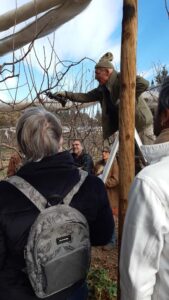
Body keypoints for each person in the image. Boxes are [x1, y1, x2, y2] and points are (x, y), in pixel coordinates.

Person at [0, 107, 114, 300]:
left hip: (19, 292)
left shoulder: (4, 193)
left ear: (21, 146)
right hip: (72, 289)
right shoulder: (91, 184)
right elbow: (103, 236)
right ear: (61, 140)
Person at [120, 76, 169, 300]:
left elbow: (136, 285)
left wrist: (124, 81)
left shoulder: (151, 183)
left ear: (165, 115)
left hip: (140, 126)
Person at [47, 52, 154, 144]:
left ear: (107, 72)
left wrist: (126, 99)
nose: (95, 77)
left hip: (142, 125)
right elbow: (85, 96)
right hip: (127, 128)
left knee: (149, 159)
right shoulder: (102, 90)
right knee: (134, 161)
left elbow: (144, 83)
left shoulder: (122, 78)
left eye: (97, 73)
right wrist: (66, 94)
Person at [94, 146, 119, 250]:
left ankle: (112, 241)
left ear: (110, 153)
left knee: (111, 218)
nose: (103, 154)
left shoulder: (114, 164)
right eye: (103, 152)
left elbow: (116, 180)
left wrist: (103, 183)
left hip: (110, 195)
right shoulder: (98, 164)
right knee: (102, 217)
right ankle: (104, 238)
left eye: (106, 152)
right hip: (99, 194)